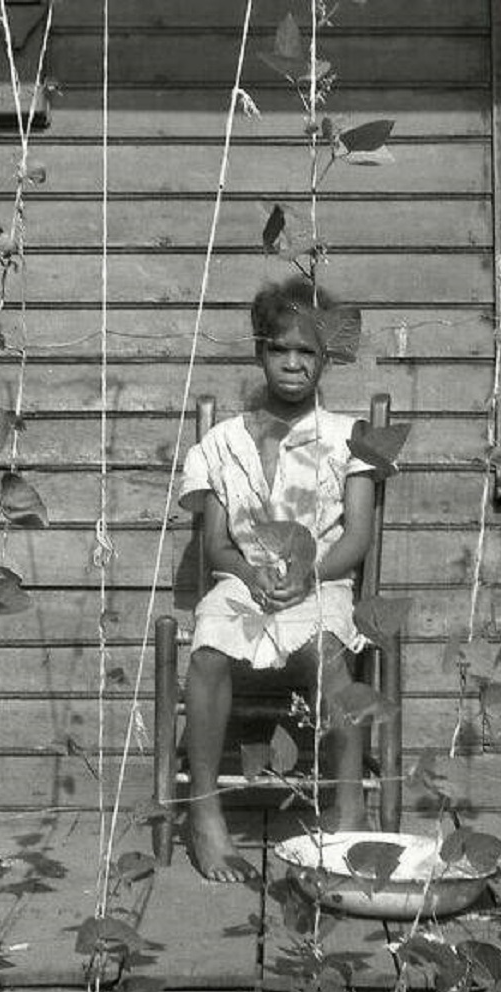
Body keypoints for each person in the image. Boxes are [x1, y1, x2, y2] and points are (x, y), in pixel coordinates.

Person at [177, 277, 376, 882]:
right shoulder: (223, 442)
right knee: (209, 647)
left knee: (328, 651)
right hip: (245, 581)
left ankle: (347, 809)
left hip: (321, 581)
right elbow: (216, 544)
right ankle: (206, 812)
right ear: (259, 351)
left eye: (308, 351)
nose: (293, 364)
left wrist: (311, 574)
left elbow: (356, 539)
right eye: (279, 349)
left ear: (326, 358)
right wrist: (247, 571)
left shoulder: (351, 439)